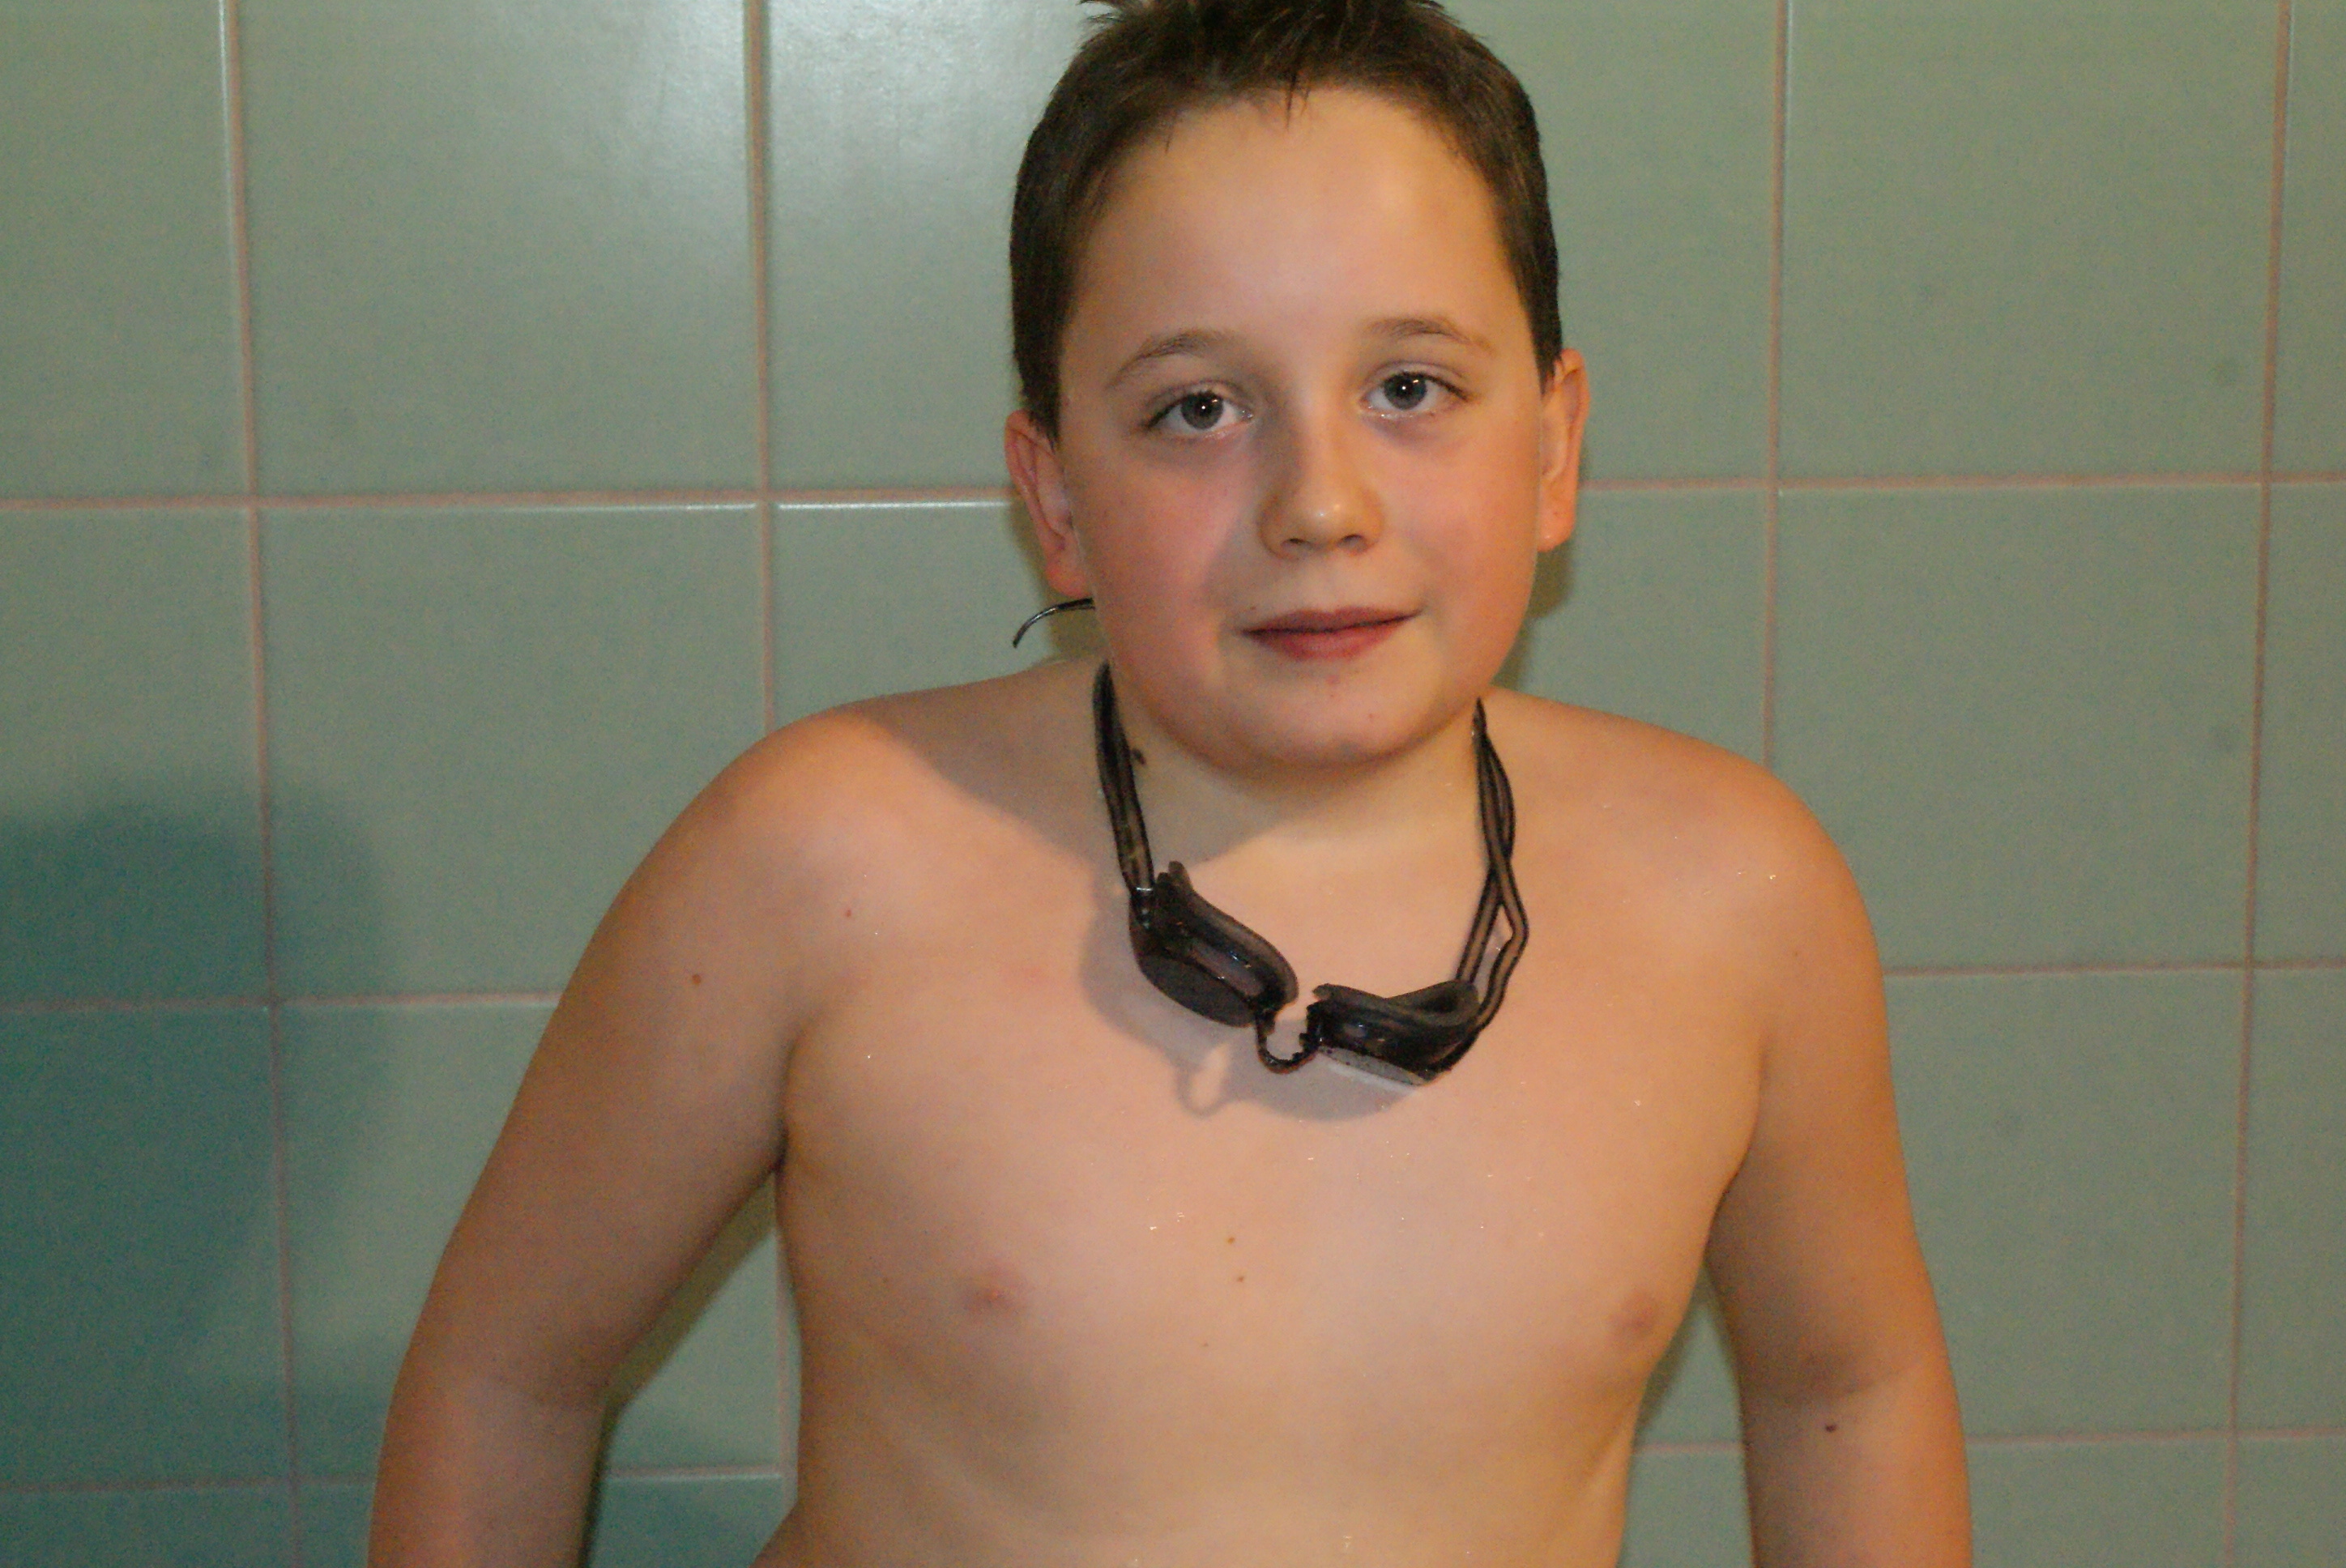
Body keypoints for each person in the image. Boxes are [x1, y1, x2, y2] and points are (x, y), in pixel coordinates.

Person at [371, 1, 1971, 1562]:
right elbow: (506, 1374)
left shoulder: (1733, 901)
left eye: (1409, 388)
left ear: (1553, 449)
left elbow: (1849, 1387)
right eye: (1197, 409)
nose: (1319, 504)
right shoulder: (818, 864)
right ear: (1057, 497)